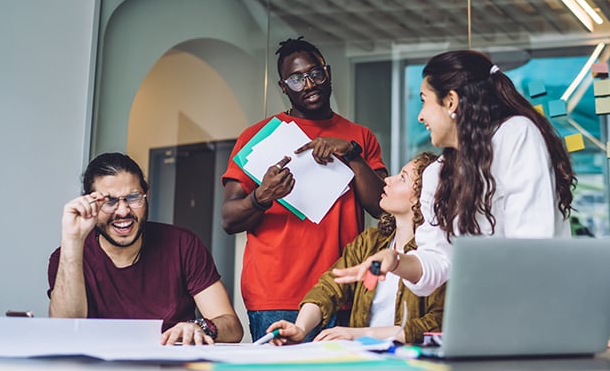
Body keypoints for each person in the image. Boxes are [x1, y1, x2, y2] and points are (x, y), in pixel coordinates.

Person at [332, 49, 576, 297]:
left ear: (450, 101)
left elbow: (532, 242)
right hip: (483, 311)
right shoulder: (437, 174)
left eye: (424, 100)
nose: (420, 115)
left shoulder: (515, 135)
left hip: (534, 303)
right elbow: (437, 261)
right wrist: (395, 261)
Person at [220, 37, 388, 341]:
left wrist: (350, 155)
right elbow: (229, 219)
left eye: (315, 73)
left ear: (329, 74)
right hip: (276, 294)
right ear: (284, 88)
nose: (308, 84)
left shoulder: (359, 137)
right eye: (296, 79)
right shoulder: (257, 137)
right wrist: (262, 196)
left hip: (342, 289)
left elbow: (382, 207)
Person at [48, 153, 243, 345]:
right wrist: (72, 239)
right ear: (89, 204)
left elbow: (232, 327)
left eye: (133, 198)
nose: (123, 211)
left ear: (147, 196)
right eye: (109, 201)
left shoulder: (182, 245)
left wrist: (200, 326)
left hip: (170, 370)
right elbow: (64, 331)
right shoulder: (67, 256)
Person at [266, 152, 443, 345]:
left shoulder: (438, 255)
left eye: (402, 178)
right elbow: (329, 287)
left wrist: (360, 334)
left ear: (422, 197)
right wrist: (300, 328)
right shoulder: (369, 243)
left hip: (409, 362)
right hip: (364, 356)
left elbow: (436, 324)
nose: (389, 180)